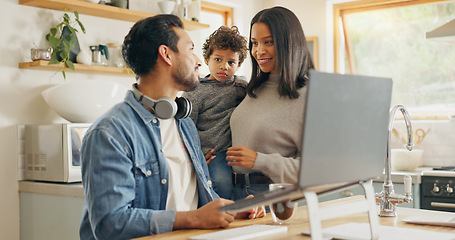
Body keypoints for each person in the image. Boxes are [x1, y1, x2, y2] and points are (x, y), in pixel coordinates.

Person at [79, 15, 264, 240]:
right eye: (190, 49)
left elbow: (198, 198)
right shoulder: (110, 133)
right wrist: (194, 218)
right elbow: (110, 224)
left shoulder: (184, 123)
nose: (198, 61)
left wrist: (230, 211)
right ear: (166, 54)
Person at [226, 6, 315, 200]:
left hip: (271, 196)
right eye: (254, 43)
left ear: (289, 43)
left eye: (268, 42)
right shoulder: (253, 89)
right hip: (233, 191)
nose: (258, 51)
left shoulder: (308, 96)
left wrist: (260, 160)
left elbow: (315, 170)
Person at [182, 25, 248, 199]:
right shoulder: (195, 90)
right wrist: (196, 157)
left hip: (236, 150)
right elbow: (185, 127)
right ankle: (221, 217)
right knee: (221, 183)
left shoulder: (241, 86)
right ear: (207, 59)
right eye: (218, 59)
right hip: (212, 152)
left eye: (231, 62)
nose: (224, 66)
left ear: (239, 65)